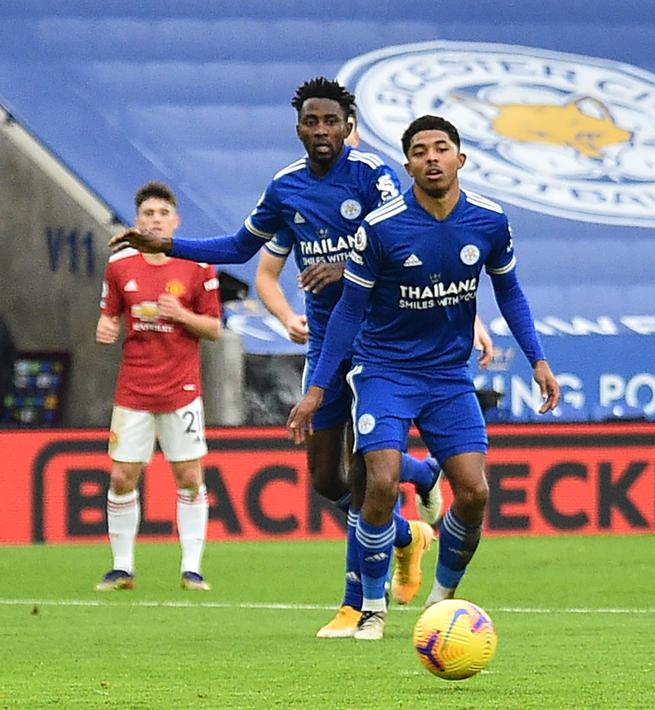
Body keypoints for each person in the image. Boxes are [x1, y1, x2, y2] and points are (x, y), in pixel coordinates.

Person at [109, 77, 438, 638]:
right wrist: (169, 246)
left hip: (378, 343)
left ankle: (356, 605)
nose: (321, 130)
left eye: (330, 121)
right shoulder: (286, 187)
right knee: (326, 480)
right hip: (325, 342)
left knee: (364, 473)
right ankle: (411, 518)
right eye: (311, 121)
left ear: (348, 126)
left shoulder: (374, 175)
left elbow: (406, 240)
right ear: (299, 128)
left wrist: (348, 266)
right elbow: (240, 247)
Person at [287, 115, 561, 640]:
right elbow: (348, 311)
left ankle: (441, 601)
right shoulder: (382, 227)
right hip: (383, 371)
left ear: (461, 158)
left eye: (441, 148)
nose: (431, 157)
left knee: (475, 493)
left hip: (447, 376)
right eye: (419, 151)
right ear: (408, 164)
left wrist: (538, 360)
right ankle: (372, 608)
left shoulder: (489, 220)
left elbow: (509, 292)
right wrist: (318, 389)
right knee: (381, 481)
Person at [95, 181, 221, 592]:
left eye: (163, 214)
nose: (155, 220)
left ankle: (192, 569)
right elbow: (111, 314)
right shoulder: (120, 265)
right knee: (122, 477)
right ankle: (122, 568)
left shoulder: (197, 265)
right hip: (134, 389)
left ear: (176, 221)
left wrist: (181, 315)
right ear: (137, 220)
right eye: (148, 214)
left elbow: (214, 329)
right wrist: (106, 326)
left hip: (181, 390)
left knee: (189, 476)